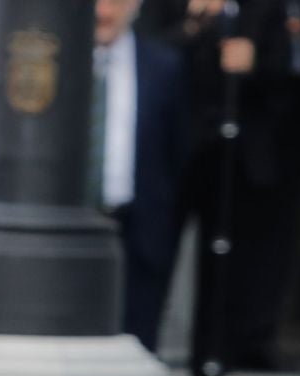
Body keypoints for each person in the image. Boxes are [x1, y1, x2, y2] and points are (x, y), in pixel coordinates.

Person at [91, 0, 191, 356]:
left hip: (138, 226)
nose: (104, 12)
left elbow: (178, 151)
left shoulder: (163, 65)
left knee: (135, 340)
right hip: (71, 226)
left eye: (115, 2)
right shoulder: (60, 62)